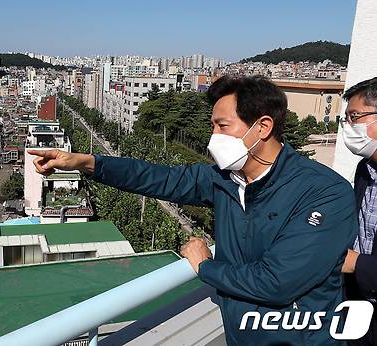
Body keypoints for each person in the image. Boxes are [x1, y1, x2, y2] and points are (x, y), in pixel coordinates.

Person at [28, 75, 358, 345]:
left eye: (222, 126)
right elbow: (157, 178)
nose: (213, 137)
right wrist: (88, 162)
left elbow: (277, 282)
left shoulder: (324, 193)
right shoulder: (226, 179)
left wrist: (205, 266)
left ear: (263, 127)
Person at [341, 76, 377, 346]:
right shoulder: (365, 169)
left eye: (355, 117)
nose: (348, 127)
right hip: (358, 303)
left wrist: (356, 263)